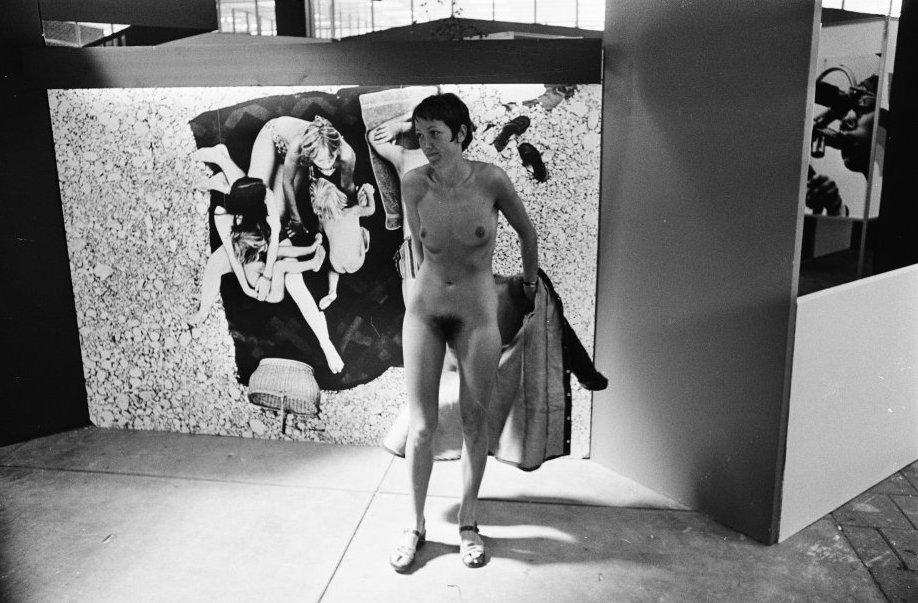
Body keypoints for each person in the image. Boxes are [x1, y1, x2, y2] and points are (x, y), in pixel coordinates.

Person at [389, 93, 539, 572]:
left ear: (461, 134)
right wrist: (418, 290)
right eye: (420, 135)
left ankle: (468, 524)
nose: (426, 144)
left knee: (475, 423)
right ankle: (415, 526)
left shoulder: (491, 180)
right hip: (425, 315)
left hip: (477, 318)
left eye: (435, 134)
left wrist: (529, 288)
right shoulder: (413, 183)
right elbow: (416, 247)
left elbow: (527, 233)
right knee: (421, 427)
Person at [188, 155, 345, 374]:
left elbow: (275, 236)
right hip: (245, 243)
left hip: (270, 237)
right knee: (215, 263)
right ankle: (202, 310)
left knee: (293, 280)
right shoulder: (223, 213)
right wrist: (246, 286)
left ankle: (325, 343)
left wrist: (268, 274)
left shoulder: (266, 195)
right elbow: (233, 255)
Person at [309, 178, 376, 310]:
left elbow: (320, 229)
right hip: (357, 262)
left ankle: (332, 291)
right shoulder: (353, 211)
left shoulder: (322, 220)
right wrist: (369, 194)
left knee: (332, 266)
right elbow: (371, 210)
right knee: (362, 230)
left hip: (337, 265)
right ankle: (360, 250)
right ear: (337, 194)